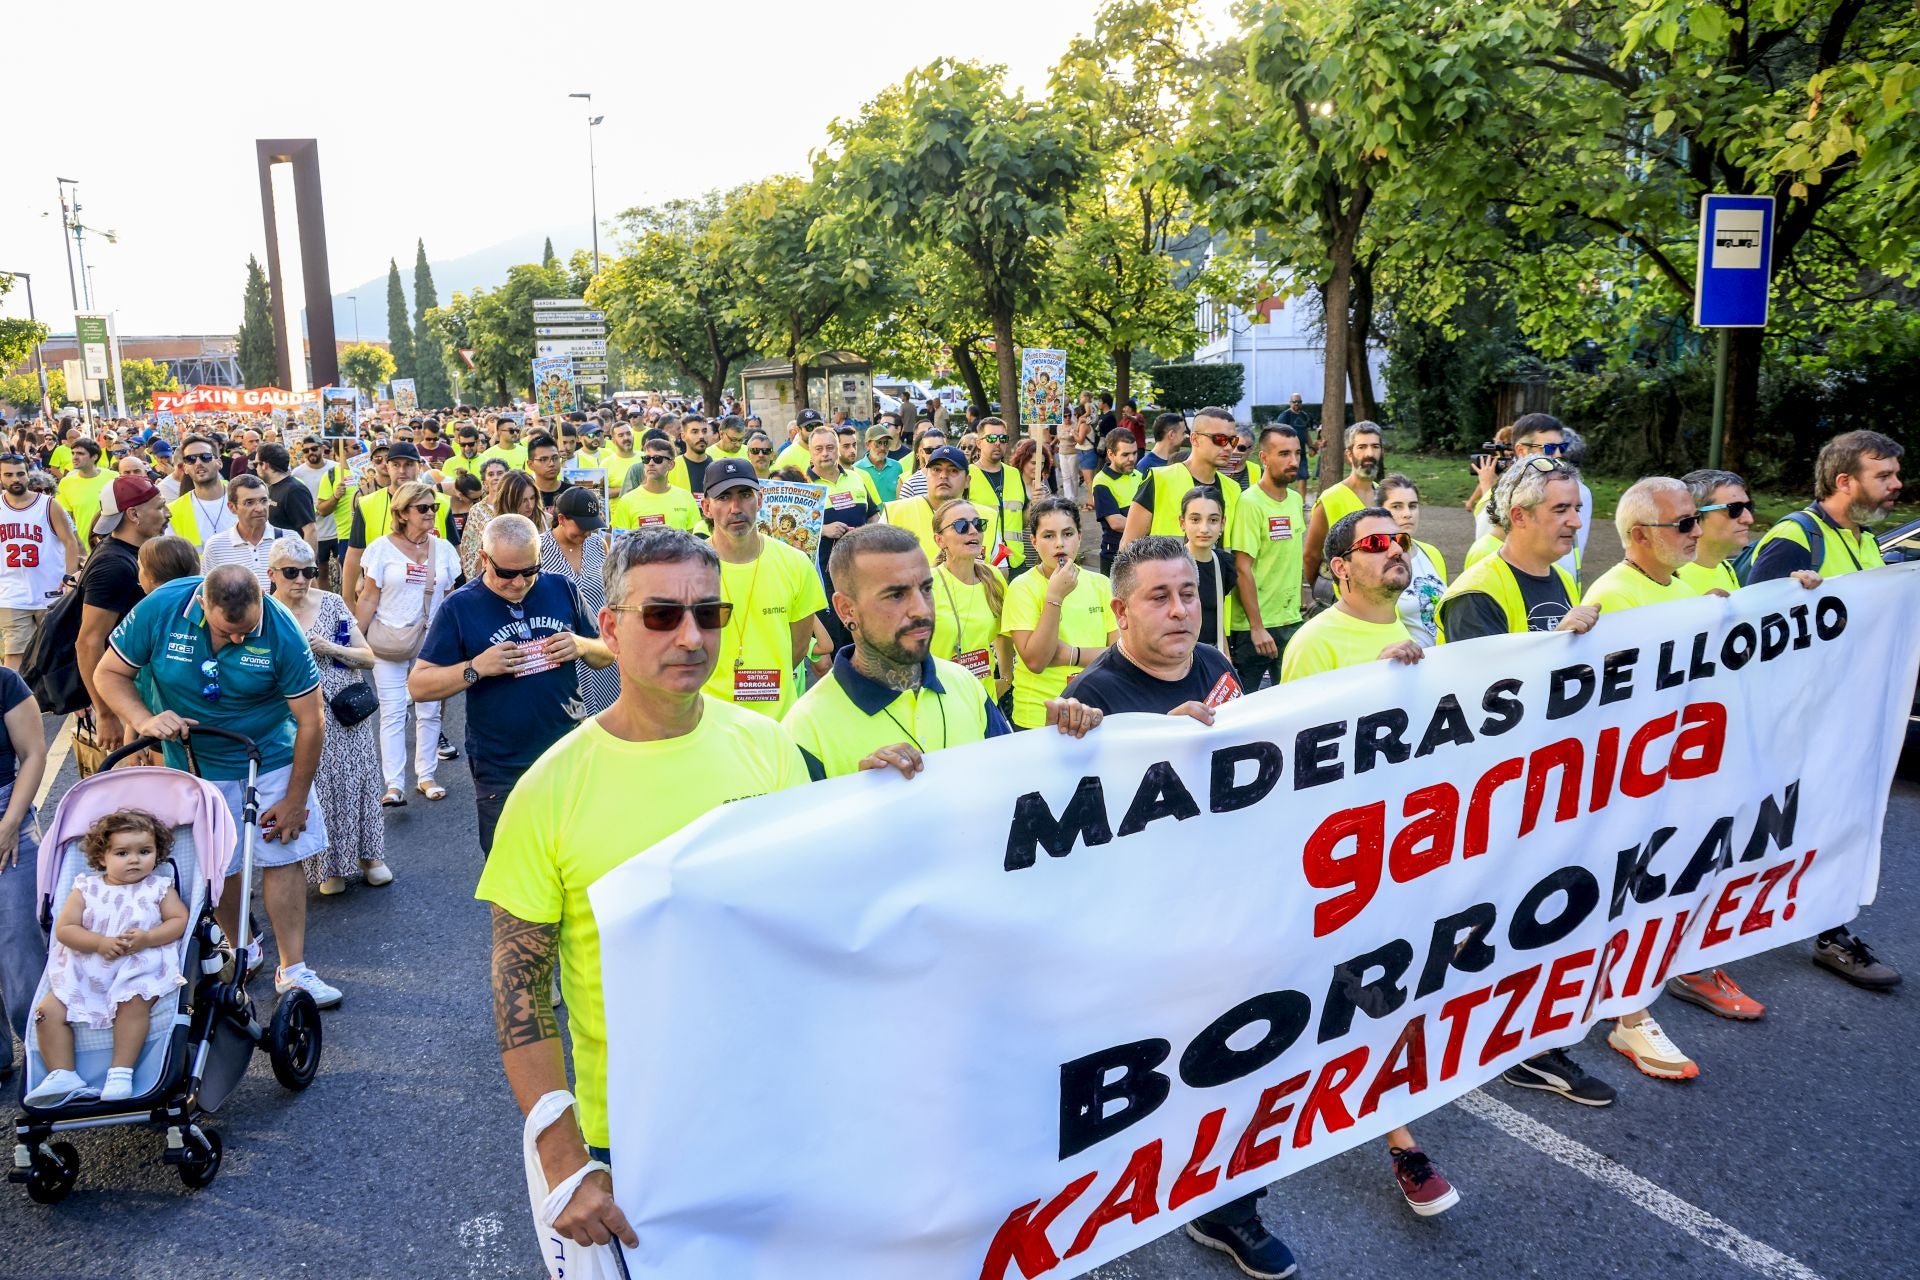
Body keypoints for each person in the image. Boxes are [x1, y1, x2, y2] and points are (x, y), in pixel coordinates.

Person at [479, 528, 809, 1253]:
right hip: (630, 1140)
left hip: (772, 1110)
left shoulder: (772, 748)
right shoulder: (549, 791)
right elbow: (519, 989)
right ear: (609, 627)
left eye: (709, 614)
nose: (690, 636)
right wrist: (563, 1162)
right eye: (661, 615)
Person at [1431, 459, 1612, 1107]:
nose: (1576, 519)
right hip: (1503, 794)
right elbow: (1479, 705)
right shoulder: (1478, 591)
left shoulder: (1561, 577)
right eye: (1561, 510)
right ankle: (1518, 1047)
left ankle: (1520, 1036)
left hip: (1553, 783)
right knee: (1505, 919)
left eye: (1576, 508)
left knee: (1541, 917)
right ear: (1521, 515)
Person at [95, 565, 341, 1007]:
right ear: (202, 604)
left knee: (280, 852)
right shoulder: (163, 607)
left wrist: (295, 800)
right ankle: (240, 945)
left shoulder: (282, 630)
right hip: (193, 762)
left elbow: (311, 720)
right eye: (228, 632)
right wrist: (142, 720)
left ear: (261, 600)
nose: (238, 640)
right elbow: (109, 673)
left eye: (247, 631)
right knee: (217, 865)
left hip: (268, 756)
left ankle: (295, 968)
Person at [1749, 429, 1903, 990]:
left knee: (1833, 827)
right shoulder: (1795, 538)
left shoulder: (1861, 540)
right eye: (1882, 476)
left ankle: (1830, 932)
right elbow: (1751, 632)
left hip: (1840, 718)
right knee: (1764, 830)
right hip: (1795, 723)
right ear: (1845, 481)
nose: (1896, 485)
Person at [409, 515, 612, 855]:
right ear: (484, 559)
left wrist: (582, 645)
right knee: (510, 870)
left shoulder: (561, 588)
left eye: (529, 571)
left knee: (577, 859)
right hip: (501, 764)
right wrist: (476, 668)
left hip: (568, 754)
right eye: (507, 573)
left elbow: (605, 652)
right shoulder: (460, 606)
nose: (519, 583)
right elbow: (419, 685)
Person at [783, 525, 1021, 779]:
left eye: (927, 589)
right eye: (896, 595)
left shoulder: (965, 684)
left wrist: (1058, 737)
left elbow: (1011, 785)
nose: (921, 609)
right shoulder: (806, 729)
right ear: (846, 610)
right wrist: (858, 796)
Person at [25, 809, 190, 1107]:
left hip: (137, 962)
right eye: (122, 852)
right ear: (102, 857)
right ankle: (63, 1073)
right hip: (87, 963)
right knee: (47, 1012)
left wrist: (148, 938)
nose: (134, 859)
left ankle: (120, 1071)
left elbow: (179, 920)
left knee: (133, 1004)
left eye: (145, 851)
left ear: (157, 853)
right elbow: (65, 929)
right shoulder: (86, 888)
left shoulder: (158, 887)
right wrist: (99, 943)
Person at [268, 539, 386, 896]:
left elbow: (368, 657)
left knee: (360, 780)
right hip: (296, 716)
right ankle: (330, 866)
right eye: (291, 573)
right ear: (272, 574)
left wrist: (331, 648)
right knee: (319, 787)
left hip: (345, 711)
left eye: (309, 572)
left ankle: (371, 858)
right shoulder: (265, 612)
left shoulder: (332, 603)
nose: (301, 580)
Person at [351, 481, 463, 807]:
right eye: (423, 508)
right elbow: (369, 596)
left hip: (433, 641)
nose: (430, 513)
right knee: (393, 712)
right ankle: (394, 784)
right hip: (390, 641)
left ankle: (426, 776)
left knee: (429, 711)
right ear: (402, 513)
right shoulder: (381, 549)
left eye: (434, 507)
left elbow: (450, 594)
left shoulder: (443, 550)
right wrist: (358, 641)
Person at [698, 460, 826, 717]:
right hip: (709, 719)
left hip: (778, 720)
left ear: (760, 500)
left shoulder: (795, 563)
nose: (736, 508)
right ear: (707, 507)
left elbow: (797, 649)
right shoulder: (687, 567)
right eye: (723, 497)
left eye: (745, 495)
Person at [75, 475, 171, 751]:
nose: (167, 513)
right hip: (123, 698)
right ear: (133, 514)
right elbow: (88, 643)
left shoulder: (131, 553)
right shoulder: (114, 565)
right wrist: (106, 714)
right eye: (159, 506)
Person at [1003, 497, 1116, 731]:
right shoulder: (1022, 587)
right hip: (1039, 716)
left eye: (1067, 534)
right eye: (1048, 536)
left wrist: (1070, 655)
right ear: (1033, 541)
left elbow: (1119, 655)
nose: (1059, 544)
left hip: (1095, 709)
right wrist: (1055, 596)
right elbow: (1036, 660)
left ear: (1080, 536)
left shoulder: (1101, 584)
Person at [1227, 424, 1307, 691]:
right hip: (1256, 629)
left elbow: (1291, 558)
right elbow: (1242, 568)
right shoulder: (1250, 503)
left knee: (1292, 700)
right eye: (1284, 454)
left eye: (1297, 453)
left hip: (1291, 621)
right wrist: (1257, 627)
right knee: (1248, 704)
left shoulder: (1295, 500)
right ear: (1263, 458)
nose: (1293, 461)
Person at [0, 662, 47, 1079]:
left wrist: (11, 823)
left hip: (7, 815)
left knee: (20, 951)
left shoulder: (4, 681)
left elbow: (33, 754)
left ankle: (48, 1055)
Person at [540, 489, 621, 716]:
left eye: (592, 525)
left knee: (607, 718)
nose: (587, 532)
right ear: (562, 519)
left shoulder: (597, 545)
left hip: (600, 647)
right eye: (582, 526)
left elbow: (610, 593)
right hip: (560, 651)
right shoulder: (538, 549)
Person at [342, 443, 450, 606]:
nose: (402, 470)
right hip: (381, 602)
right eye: (396, 464)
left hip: (431, 604)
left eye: (408, 464)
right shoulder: (366, 504)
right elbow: (355, 554)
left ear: (420, 466)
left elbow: (454, 555)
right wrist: (348, 599)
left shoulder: (441, 503)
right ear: (388, 467)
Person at [0, 451, 81, 670]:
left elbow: (70, 542)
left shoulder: (48, 505)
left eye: (20, 474)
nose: (15, 479)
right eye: (8, 475)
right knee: (14, 652)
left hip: (49, 589)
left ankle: (57, 703)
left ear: (28, 475)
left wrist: (69, 577)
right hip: (11, 593)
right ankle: (12, 701)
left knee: (55, 652)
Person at [929, 499, 1014, 700]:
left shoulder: (994, 577)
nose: (973, 531)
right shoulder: (925, 584)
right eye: (961, 526)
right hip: (940, 699)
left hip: (984, 699)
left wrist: (1006, 678)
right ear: (940, 540)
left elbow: (1004, 634)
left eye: (978, 524)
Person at [1122, 406, 1242, 546]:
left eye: (1233, 441)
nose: (1228, 447)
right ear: (1194, 439)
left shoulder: (1233, 489)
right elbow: (1127, 547)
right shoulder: (1160, 480)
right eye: (1220, 439)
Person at [1301, 421, 1384, 587]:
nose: (1369, 453)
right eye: (1361, 447)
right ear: (1349, 454)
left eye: (1375, 446)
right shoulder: (1330, 499)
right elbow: (1311, 556)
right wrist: (1324, 593)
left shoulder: (1384, 496)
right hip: (1343, 598)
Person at [1375, 473, 1449, 647]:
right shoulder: (1376, 561)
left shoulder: (1432, 553)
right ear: (1380, 512)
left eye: (1413, 506)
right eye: (1397, 506)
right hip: (1402, 664)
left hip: (1441, 660)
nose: (1407, 514)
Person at [201, 474, 299, 590]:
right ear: (232, 507)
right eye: (249, 502)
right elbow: (208, 594)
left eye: (263, 501)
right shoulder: (216, 546)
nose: (259, 508)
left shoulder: (290, 539)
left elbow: (308, 588)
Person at [887, 444, 971, 561]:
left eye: (953, 470)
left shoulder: (984, 518)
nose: (943, 476)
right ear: (926, 476)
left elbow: (1000, 570)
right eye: (936, 469)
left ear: (967, 481)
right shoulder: (894, 513)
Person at [968, 418, 1028, 571]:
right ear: (979, 443)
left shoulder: (1014, 474)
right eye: (991, 438)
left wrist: (1035, 504)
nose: (997, 443)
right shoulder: (967, 475)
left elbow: (1023, 522)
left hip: (1016, 561)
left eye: (1003, 438)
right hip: (982, 562)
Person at [1180, 489, 1234, 654]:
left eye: (1213, 520)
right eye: (1195, 520)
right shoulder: (1169, 565)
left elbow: (1217, 618)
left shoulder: (1223, 564)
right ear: (1182, 523)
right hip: (1178, 657)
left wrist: (1226, 661)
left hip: (1211, 654)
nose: (1204, 528)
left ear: (1222, 523)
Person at [611, 437, 703, 532]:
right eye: (646, 459)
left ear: (671, 464)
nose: (651, 463)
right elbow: (619, 542)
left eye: (657, 459)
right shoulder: (627, 501)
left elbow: (694, 540)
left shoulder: (686, 497)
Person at [1089, 430, 1142, 575]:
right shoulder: (1101, 481)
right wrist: (1150, 525)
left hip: (1141, 553)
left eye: (1134, 453)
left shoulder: (1139, 475)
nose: (1132, 458)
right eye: (1125, 455)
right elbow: (1116, 522)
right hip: (1115, 555)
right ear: (1111, 454)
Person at [255, 442, 318, 554]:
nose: (256, 468)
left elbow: (310, 530)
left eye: (256, 464)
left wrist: (308, 565)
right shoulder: (271, 488)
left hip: (294, 562)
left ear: (264, 465)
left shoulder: (294, 490)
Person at [54, 438, 113, 549]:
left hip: (113, 547)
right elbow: (65, 520)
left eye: (80, 453)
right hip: (84, 550)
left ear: (94, 457)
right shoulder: (66, 483)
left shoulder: (113, 477)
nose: (74, 457)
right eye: (73, 453)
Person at [524, 434, 574, 516]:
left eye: (555, 458)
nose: (551, 463)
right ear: (530, 464)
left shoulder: (572, 493)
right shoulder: (525, 494)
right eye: (543, 459)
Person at [856, 425, 902, 503]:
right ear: (867, 444)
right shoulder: (857, 469)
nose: (883, 448)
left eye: (886, 443)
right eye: (878, 443)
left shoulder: (897, 467)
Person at [1136, 411, 1186, 477]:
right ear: (1171, 435)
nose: (1186, 436)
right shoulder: (1145, 467)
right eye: (1183, 433)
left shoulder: (1181, 461)